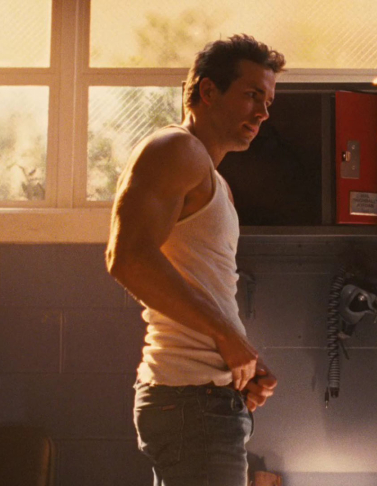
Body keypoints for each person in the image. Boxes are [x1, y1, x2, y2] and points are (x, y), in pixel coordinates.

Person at [105, 34, 285, 486]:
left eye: (267, 101)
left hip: (205, 399)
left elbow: (203, 284)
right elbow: (127, 258)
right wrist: (225, 336)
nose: (263, 113)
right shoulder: (175, 149)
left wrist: (241, 360)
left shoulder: (213, 178)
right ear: (208, 91)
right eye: (252, 95)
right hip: (191, 401)